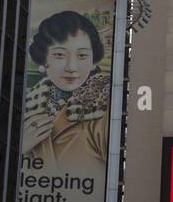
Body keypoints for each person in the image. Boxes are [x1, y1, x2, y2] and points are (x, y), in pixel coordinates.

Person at [22, 10, 109, 169]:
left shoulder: (105, 109)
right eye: (59, 55)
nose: (71, 67)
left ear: (93, 61)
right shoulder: (26, 107)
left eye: (82, 56)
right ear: (44, 59)